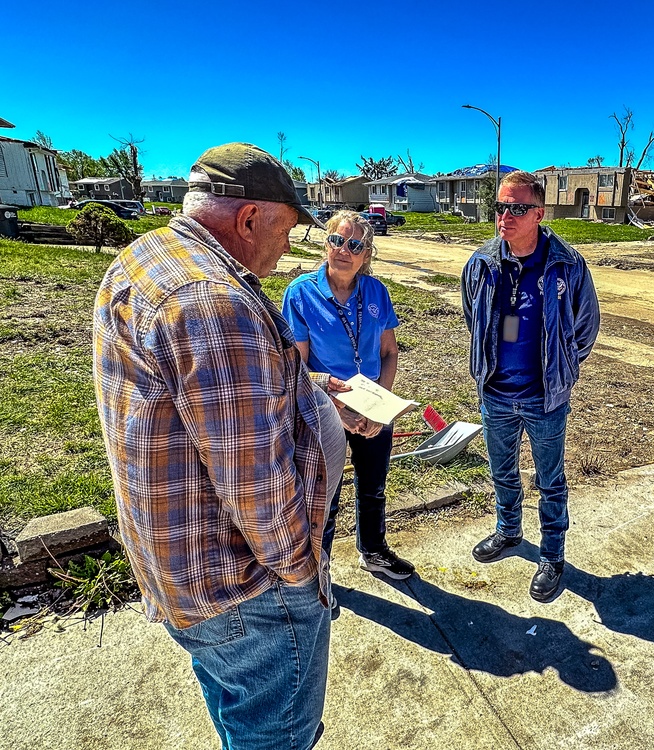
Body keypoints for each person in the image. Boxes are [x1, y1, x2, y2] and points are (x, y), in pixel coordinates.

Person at [93, 143, 343, 750]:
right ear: (250, 218)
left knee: (241, 716)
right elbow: (255, 483)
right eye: (286, 229)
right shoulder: (212, 301)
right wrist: (303, 576)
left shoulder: (148, 259)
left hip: (186, 573)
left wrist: (309, 395)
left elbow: (207, 404)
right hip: (246, 588)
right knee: (275, 735)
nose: (289, 249)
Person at [461, 170, 600, 602]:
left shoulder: (568, 264)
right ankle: (508, 531)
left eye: (517, 208)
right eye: (501, 206)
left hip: (545, 397)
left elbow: (585, 328)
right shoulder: (481, 264)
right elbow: (475, 318)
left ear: (539, 213)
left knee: (550, 479)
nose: (506, 215)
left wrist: (560, 369)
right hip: (496, 393)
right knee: (502, 471)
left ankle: (553, 554)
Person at [282, 209, 414, 580]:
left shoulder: (376, 292)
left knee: (373, 487)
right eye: (337, 240)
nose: (344, 249)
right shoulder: (301, 294)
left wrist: (380, 408)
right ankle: (318, 569)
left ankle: (373, 551)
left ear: (366, 254)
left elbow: (389, 353)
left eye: (354, 244)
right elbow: (297, 367)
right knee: (325, 494)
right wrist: (337, 410)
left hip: (372, 404)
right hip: (325, 409)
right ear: (326, 243)